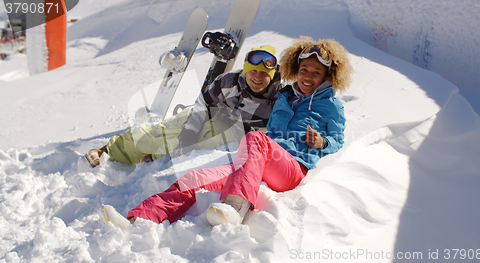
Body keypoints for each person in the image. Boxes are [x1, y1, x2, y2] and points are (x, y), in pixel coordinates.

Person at [99, 36, 353, 230]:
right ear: (295, 70)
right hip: (259, 164)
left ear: (328, 76)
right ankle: (139, 218)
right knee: (194, 178)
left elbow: (338, 141)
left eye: (316, 72)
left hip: (291, 168)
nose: (308, 76)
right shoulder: (284, 98)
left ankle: (235, 206)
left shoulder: (330, 105)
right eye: (304, 70)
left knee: (255, 138)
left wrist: (322, 142)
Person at [85, 45, 282, 167]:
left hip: (236, 136)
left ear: (272, 75)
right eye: (253, 70)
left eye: (265, 73)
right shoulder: (229, 81)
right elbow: (203, 104)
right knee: (167, 129)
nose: (258, 77)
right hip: (213, 114)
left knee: (194, 145)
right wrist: (190, 129)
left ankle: (155, 156)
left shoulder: (279, 100)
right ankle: (110, 150)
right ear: (246, 69)